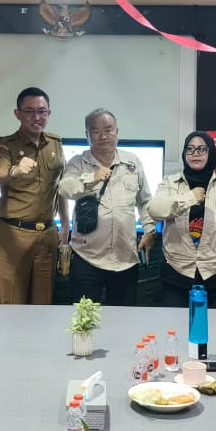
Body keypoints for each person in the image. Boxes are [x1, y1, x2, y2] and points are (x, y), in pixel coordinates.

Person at [148, 130, 216, 327]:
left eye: (202, 149)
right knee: (175, 334)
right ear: (184, 154)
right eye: (190, 149)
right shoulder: (170, 183)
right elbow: (155, 210)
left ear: (211, 153)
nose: (195, 153)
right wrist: (189, 198)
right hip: (177, 275)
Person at [58, 109, 155, 305]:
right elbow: (65, 189)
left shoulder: (132, 162)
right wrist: (91, 178)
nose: (103, 136)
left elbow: (144, 201)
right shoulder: (78, 163)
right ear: (87, 135)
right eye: (95, 131)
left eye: (108, 130)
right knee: (84, 318)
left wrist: (149, 230)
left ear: (117, 131)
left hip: (125, 258)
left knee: (123, 318)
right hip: (87, 258)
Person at [0, 87, 69, 304]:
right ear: (17, 113)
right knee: (11, 304)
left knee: (43, 304)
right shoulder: (6, 145)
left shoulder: (55, 143)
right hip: (14, 235)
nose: (37, 117)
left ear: (49, 113)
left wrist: (65, 225)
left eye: (42, 111)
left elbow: (60, 187)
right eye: (30, 111)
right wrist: (15, 171)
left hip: (47, 235)